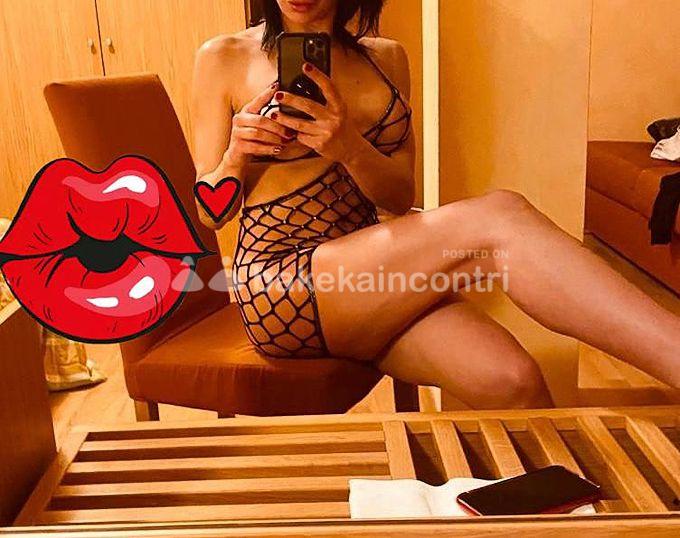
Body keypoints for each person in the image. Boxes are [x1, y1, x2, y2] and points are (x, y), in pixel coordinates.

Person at [191, 0, 680, 409]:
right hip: (281, 286)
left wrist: (348, 147)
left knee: (512, 381)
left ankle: (550, 496)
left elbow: (398, 197)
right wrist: (236, 155)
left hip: (372, 280)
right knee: (501, 219)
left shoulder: (387, 58)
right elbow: (211, 214)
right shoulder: (225, 57)